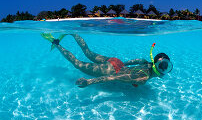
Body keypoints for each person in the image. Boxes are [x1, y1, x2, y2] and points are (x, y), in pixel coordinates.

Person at [41, 33, 173, 88]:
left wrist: (124, 64)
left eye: (166, 66)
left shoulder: (147, 63)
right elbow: (113, 78)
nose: (164, 69)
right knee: (77, 64)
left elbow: (137, 60)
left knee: (89, 53)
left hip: (117, 62)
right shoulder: (143, 78)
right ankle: (56, 43)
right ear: (156, 64)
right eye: (163, 65)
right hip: (112, 69)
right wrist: (89, 82)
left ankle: (72, 32)